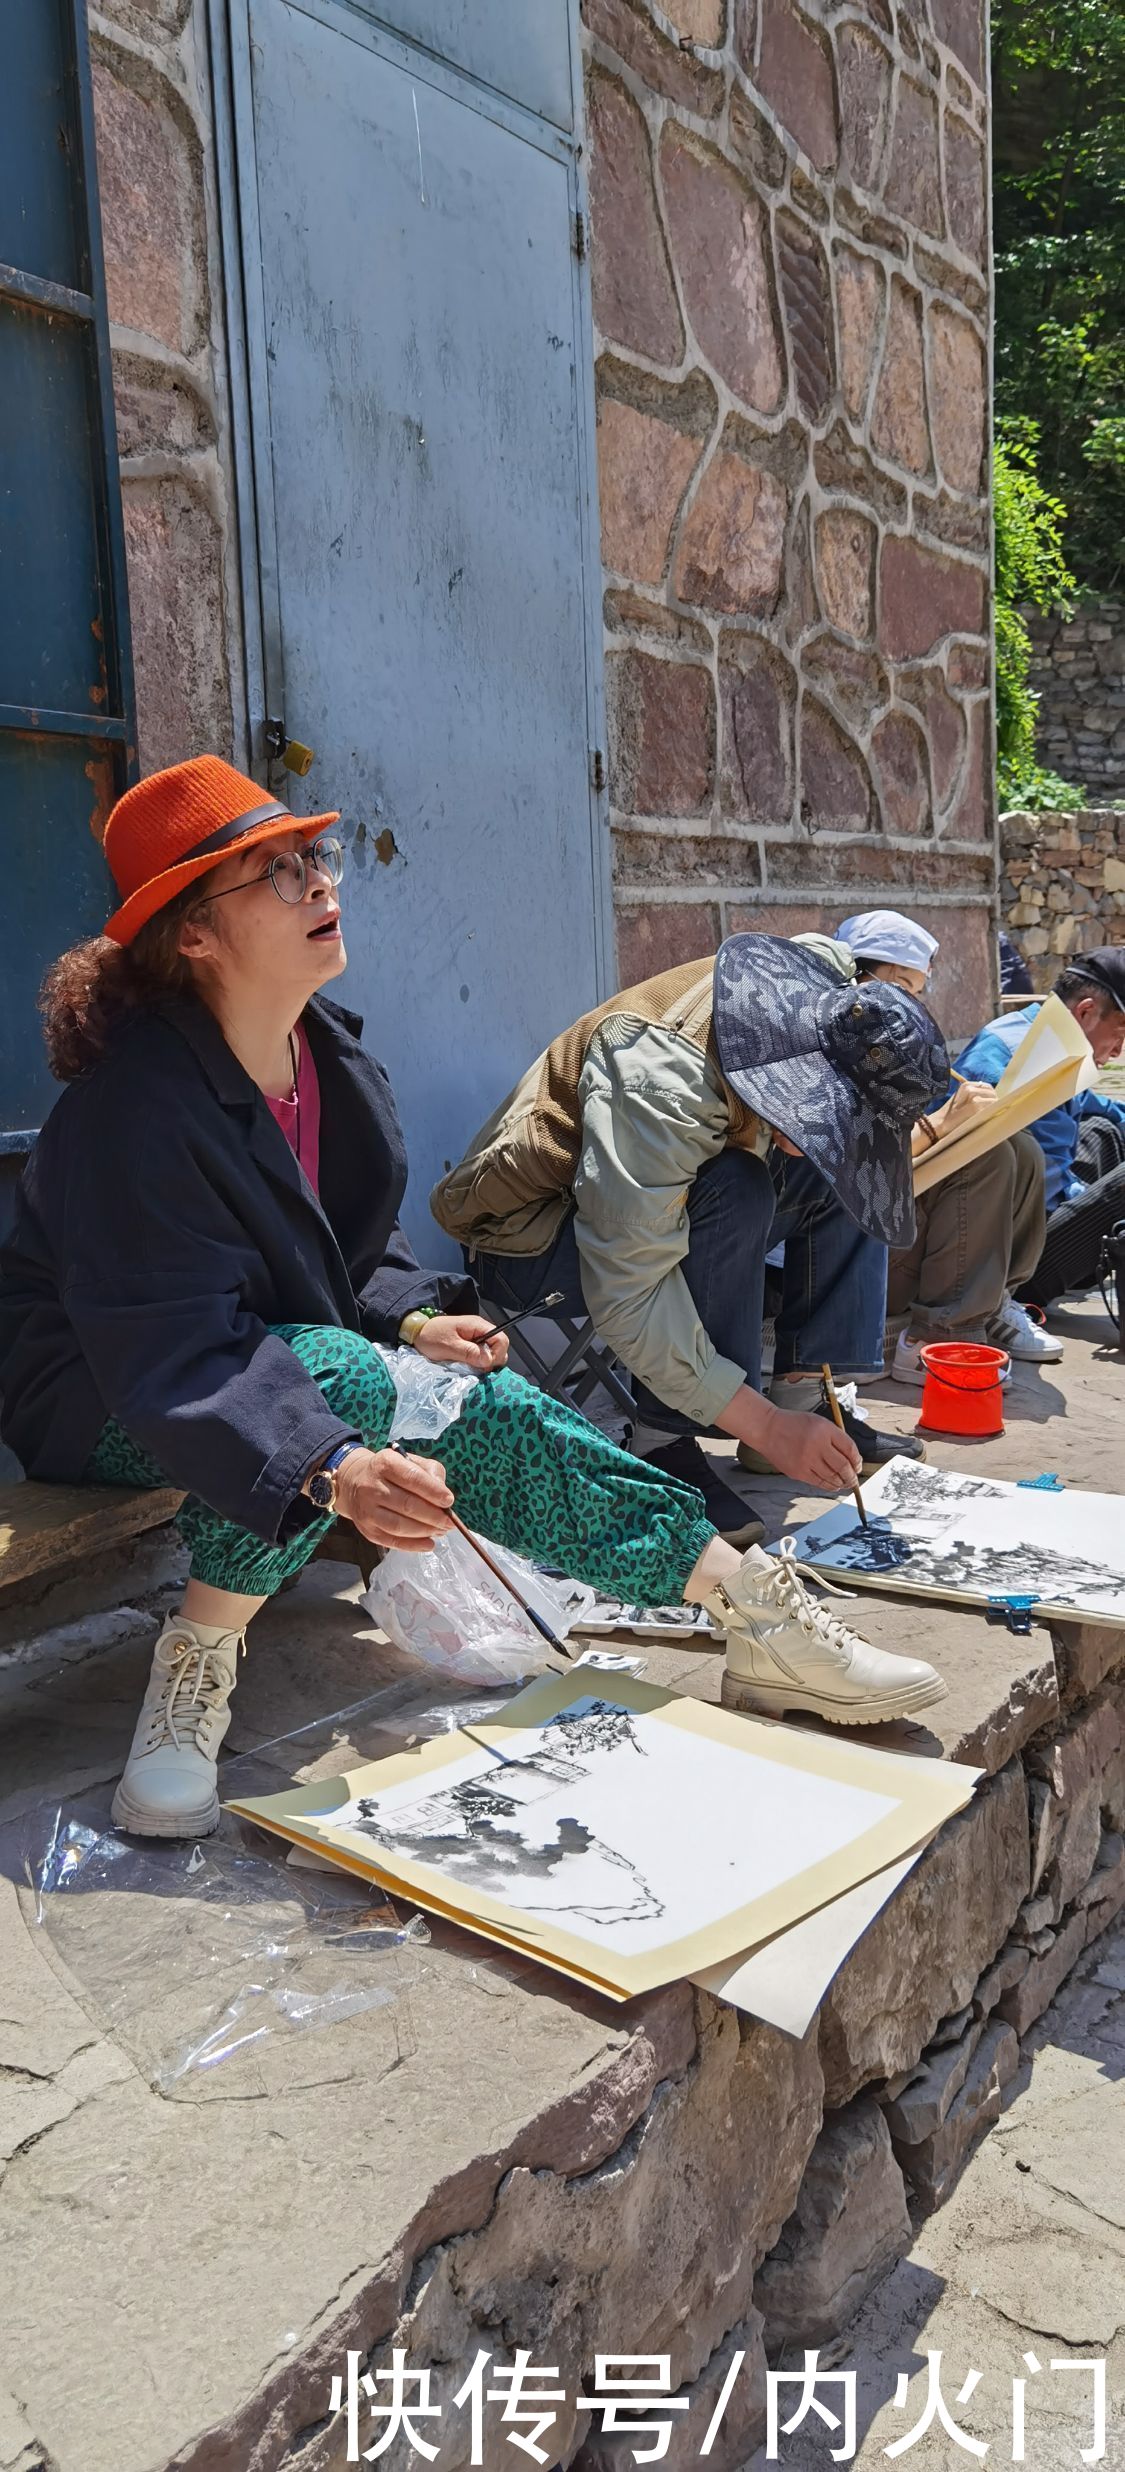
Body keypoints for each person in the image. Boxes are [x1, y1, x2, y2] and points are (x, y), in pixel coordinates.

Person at [0, 761, 946, 1838]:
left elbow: (345, 1244)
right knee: (345, 1391)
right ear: (194, 935)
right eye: (279, 875)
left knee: (454, 1397)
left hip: (261, 1353)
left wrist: (409, 1312)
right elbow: (176, 1342)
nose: (322, 886)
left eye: (320, 858)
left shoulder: (325, 1060)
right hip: (103, 1384)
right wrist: (336, 1463)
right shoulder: (132, 1109)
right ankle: (197, 1663)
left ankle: (745, 1603)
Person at [431, 936, 949, 1540]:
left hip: (642, 1204)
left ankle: (804, 1401)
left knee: (834, 1178)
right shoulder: (663, 1083)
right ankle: (662, 1442)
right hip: (531, 1235)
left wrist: (783, 1423)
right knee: (738, 1184)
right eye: (826, 1121)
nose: (825, 1134)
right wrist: (764, 1428)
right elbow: (631, 1295)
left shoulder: (831, 996)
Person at [831, 912, 1055, 1380]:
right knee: (986, 1158)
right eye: (897, 985)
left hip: (887, 1239)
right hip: (844, 1259)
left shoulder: (891, 1046)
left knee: (1019, 1145)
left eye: (915, 991)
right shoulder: (827, 1048)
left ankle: (992, 1302)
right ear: (855, 976)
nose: (908, 1004)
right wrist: (944, 1122)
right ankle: (938, 1336)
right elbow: (843, 1171)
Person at [955, 951, 1125, 1313]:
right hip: (1004, 1264)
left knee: (1104, 1131)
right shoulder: (1025, 1062)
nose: (1117, 1053)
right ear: (1085, 1012)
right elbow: (1043, 1192)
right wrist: (1102, 1203)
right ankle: (1010, 1306)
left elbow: (1097, 1105)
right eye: (1119, 1037)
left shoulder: (1045, 1038)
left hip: (1033, 1219)